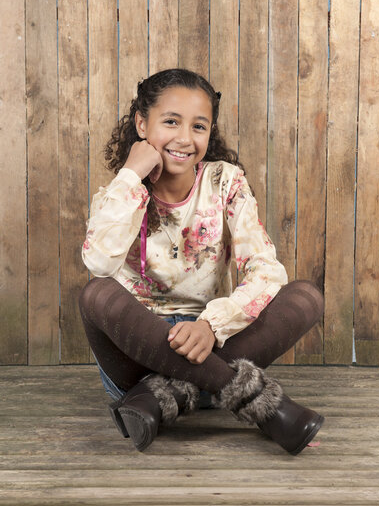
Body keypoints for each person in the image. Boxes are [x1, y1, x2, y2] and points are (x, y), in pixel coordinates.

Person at [79, 68, 324, 455]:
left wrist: (212, 324)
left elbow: (265, 270)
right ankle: (263, 405)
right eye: (171, 122)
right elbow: (99, 263)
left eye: (198, 126)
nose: (184, 138)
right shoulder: (119, 193)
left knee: (306, 296)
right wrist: (131, 174)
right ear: (142, 124)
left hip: (215, 344)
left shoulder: (226, 183)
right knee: (96, 294)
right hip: (138, 357)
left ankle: (157, 400)